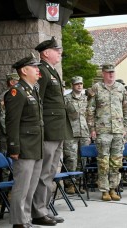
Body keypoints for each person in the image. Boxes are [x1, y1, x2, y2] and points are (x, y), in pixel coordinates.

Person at [32, 36, 73, 226]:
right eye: (57, 50)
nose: (60, 53)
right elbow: (37, 102)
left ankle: (44, 209)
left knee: (50, 172)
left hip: (57, 129)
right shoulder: (42, 71)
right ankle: (39, 212)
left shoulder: (52, 71)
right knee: (45, 171)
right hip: (48, 129)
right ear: (46, 53)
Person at [5, 54, 43, 228]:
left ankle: (26, 218)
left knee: (31, 186)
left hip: (36, 145)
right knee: (22, 186)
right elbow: (12, 122)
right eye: (34, 67)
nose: (37, 70)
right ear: (24, 70)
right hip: (24, 146)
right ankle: (19, 221)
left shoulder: (32, 89)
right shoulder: (16, 92)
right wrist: (14, 147)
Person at [87, 63, 127, 201]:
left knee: (116, 162)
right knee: (103, 161)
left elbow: (126, 110)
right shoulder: (96, 88)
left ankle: (113, 189)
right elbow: (90, 110)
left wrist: (125, 128)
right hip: (102, 130)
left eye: (113, 72)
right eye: (108, 72)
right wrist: (92, 129)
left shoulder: (121, 88)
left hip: (117, 130)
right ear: (103, 73)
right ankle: (104, 190)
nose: (111, 74)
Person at [63, 76, 90, 194]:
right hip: (70, 133)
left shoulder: (86, 99)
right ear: (72, 85)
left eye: (81, 84)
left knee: (82, 159)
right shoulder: (66, 99)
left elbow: (90, 115)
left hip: (84, 132)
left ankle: (79, 184)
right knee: (71, 159)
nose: (79, 86)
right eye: (77, 84)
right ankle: (70, 184)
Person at [0, 72, 20, 154]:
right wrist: (10, 132)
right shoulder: (7, 95)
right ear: (11, 82)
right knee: (6, 159)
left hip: (14, 134)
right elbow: (3, 116)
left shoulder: (16, 94)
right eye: (18, 81)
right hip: (8, 136)